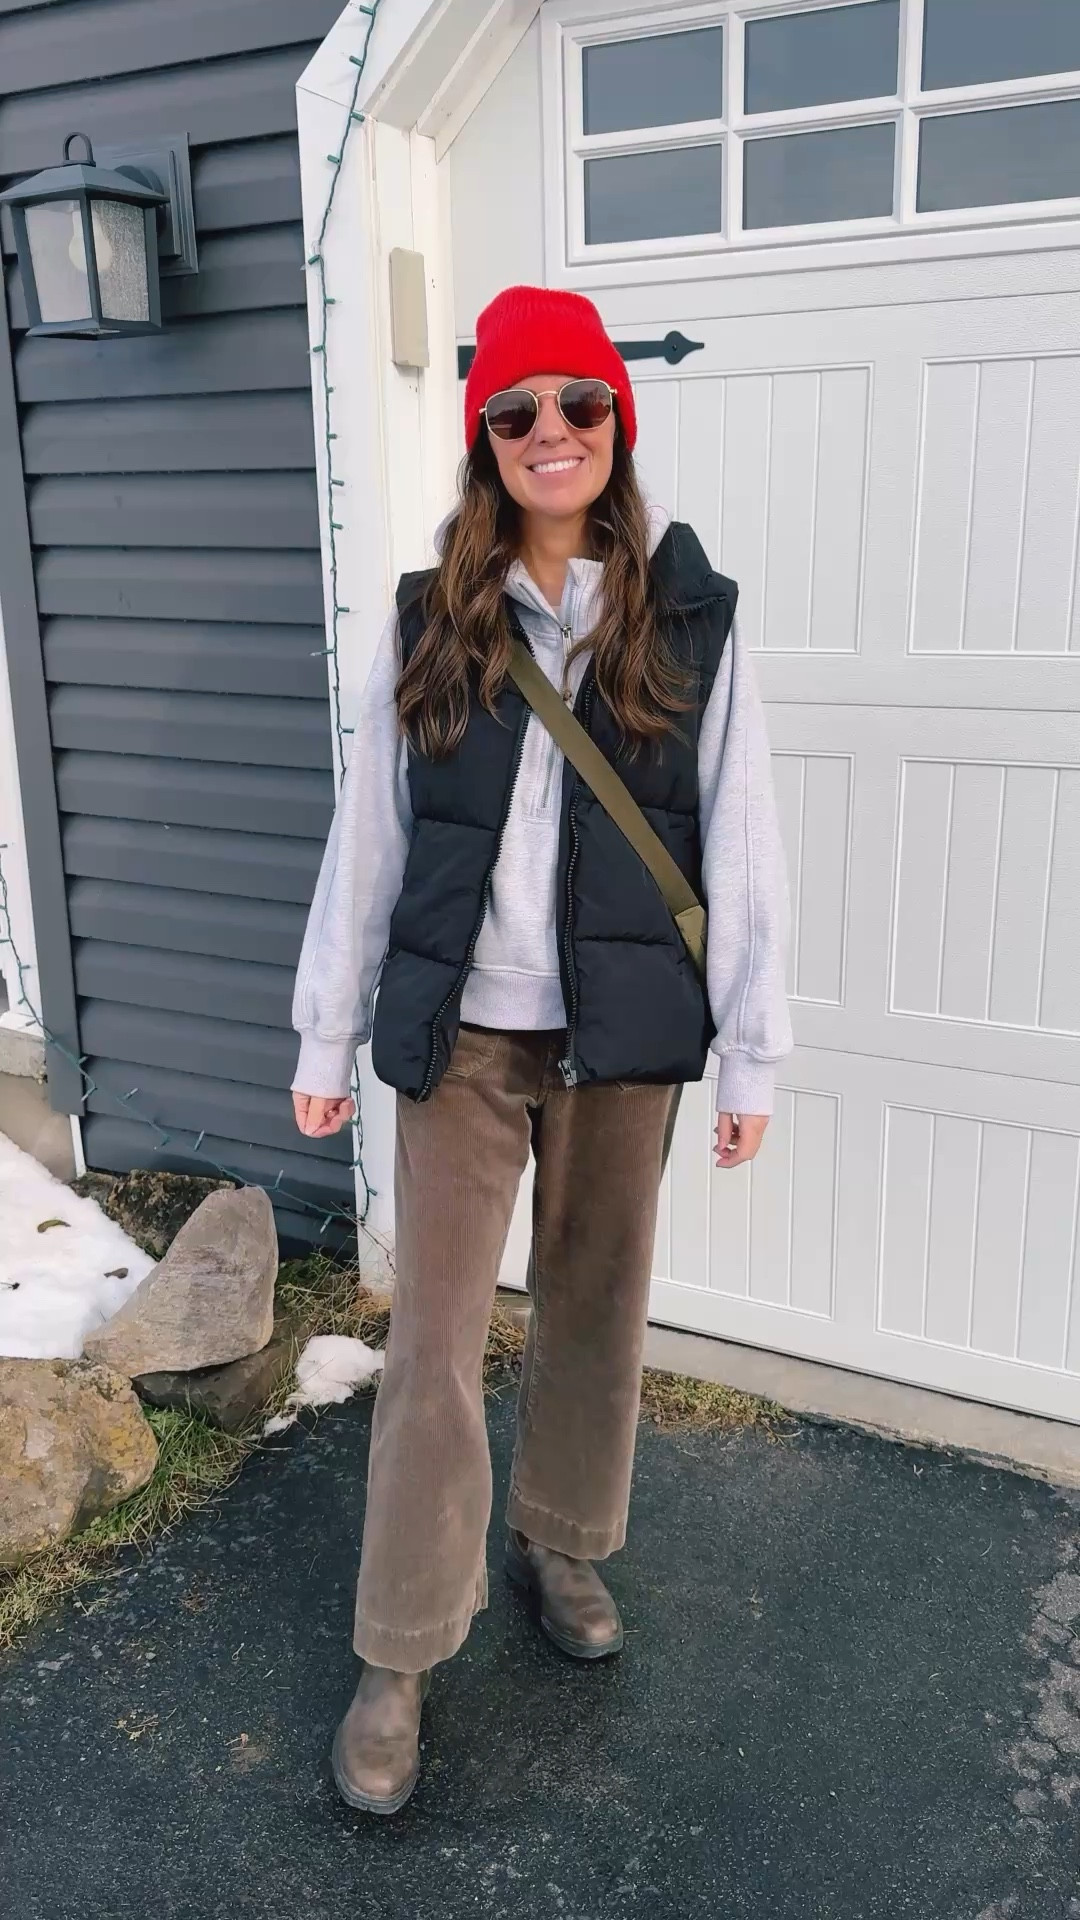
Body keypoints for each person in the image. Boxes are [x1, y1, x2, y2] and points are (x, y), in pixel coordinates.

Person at [290, 284, 793, 1814]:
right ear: (484, 438)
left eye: (579, 404)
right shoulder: (429, 617)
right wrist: (327, 1025)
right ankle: (401, 1646)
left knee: (595, 1312)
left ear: (615, 424)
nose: (552, 432)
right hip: (466, 1037)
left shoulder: (686, 612)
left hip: (622, 1038)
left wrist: (754, 1048)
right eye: (518, 411)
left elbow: (749, 836)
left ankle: (561, 1543)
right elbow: (368, 839)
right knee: (433, 1351)